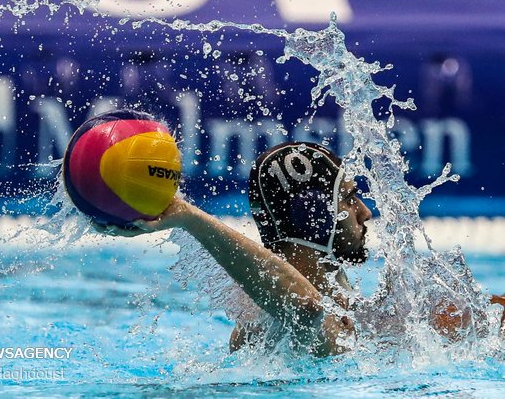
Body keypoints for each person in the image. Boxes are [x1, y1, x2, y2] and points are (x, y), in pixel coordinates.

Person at [93, 141, 504, 355]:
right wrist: (190, 217)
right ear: (316, 216)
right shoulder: (266, 316)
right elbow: (305, 309)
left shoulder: (339, 292)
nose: (365, 212)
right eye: (348, 198)